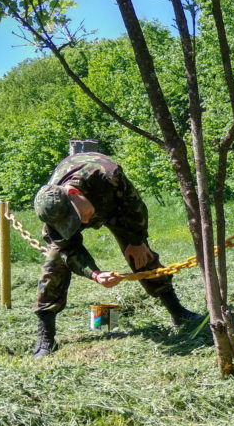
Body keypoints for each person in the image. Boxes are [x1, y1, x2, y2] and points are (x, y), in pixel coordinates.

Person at [31, 151, 202, 358]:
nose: (82, 224)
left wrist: (137, 240)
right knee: (54, 264)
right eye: (71, 223)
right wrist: (94, 274)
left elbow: (134, 205)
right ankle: (46, 339)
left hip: (114, 207)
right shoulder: (53, 211)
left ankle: (178, 313)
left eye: (77, 217)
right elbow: (70, 250)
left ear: (74, 193)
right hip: (81, 204)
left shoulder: (107, 175)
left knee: (140, 256)